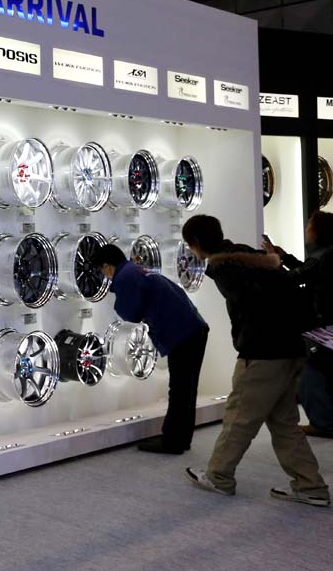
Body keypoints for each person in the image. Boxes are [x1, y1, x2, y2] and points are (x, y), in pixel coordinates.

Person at [179, 214, 329, 507]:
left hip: (262, 354)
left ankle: (219, 476)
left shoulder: (225, 269)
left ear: (195, 243)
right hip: (290, 348)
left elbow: (256, 311)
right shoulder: (249, 256)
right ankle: (310, 485)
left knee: (239, 417)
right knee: (284, 423)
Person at [91, 243, 208, 454]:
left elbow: (130, 313)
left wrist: (116, 295)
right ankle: (181, 439)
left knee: (179, 389)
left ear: (107, 266)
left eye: (102, 270)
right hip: (193, 327)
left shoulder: (125, 277)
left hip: (182, 333)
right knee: (187, 389)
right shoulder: (137, 270)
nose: (105, 276)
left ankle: (172, 442)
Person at [264, 210, 333, 438]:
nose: (306, 229)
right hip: (327, 325)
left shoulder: (323, 257)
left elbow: (295, 277)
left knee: (313, 374)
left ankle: (322, 423)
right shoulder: (326, 255)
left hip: (323, 327)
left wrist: (272, 262)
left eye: (309, 225)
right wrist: (283, 257)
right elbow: (307, 271)